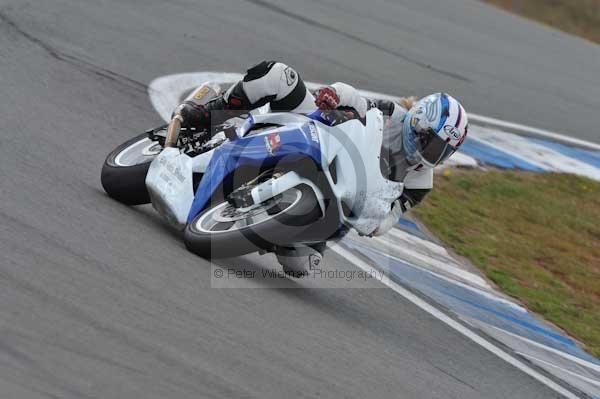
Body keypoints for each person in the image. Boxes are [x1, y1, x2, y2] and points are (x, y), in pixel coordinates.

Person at [173, 61, 468, 273]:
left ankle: (270, 219)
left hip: (337, 203)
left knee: (299, 265)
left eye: (441, 151)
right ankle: (209, 114)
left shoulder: (421, 182)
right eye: (429, 141)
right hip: (317, 133)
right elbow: (357, 100)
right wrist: (334, 96)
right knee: (279, 76)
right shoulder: (394, 115)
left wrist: (377, 222)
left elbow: (390, 218)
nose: (429, 153)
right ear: (417, 122)